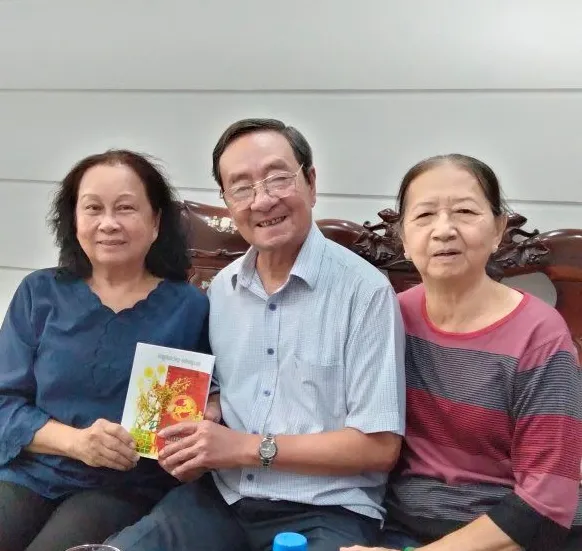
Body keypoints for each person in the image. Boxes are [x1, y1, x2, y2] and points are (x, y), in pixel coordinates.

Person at [107, 118, 406, 551]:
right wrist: (202, 426)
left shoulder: (366, 292)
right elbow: (219, 393)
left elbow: (378, 448)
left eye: (278, 178)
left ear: (311, 182)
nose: (262, 200)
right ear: (228, 202)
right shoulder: (221, 291)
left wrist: (245, 448)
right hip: (222, 499)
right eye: (242, 187)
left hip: (328, 510)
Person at [341, 154, 582, 551]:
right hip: (403, 525)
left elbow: (548, 502)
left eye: (465, 212)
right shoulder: (389, 317)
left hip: (509, 534)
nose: (444, 231)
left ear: (499, 229)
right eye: (424, 215)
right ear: (403, 238)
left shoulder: (539, 336)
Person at [0, 150, 213, 551]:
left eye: (126, 208)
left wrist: (207, 412)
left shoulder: (190, 307)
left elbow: (208, 400)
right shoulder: (38, 293)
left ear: (156, 222)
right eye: (93, 208)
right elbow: (4, 402)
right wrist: (76, 442)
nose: (108, 223)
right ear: (74, 220)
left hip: (123, 485)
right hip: (31, 473)